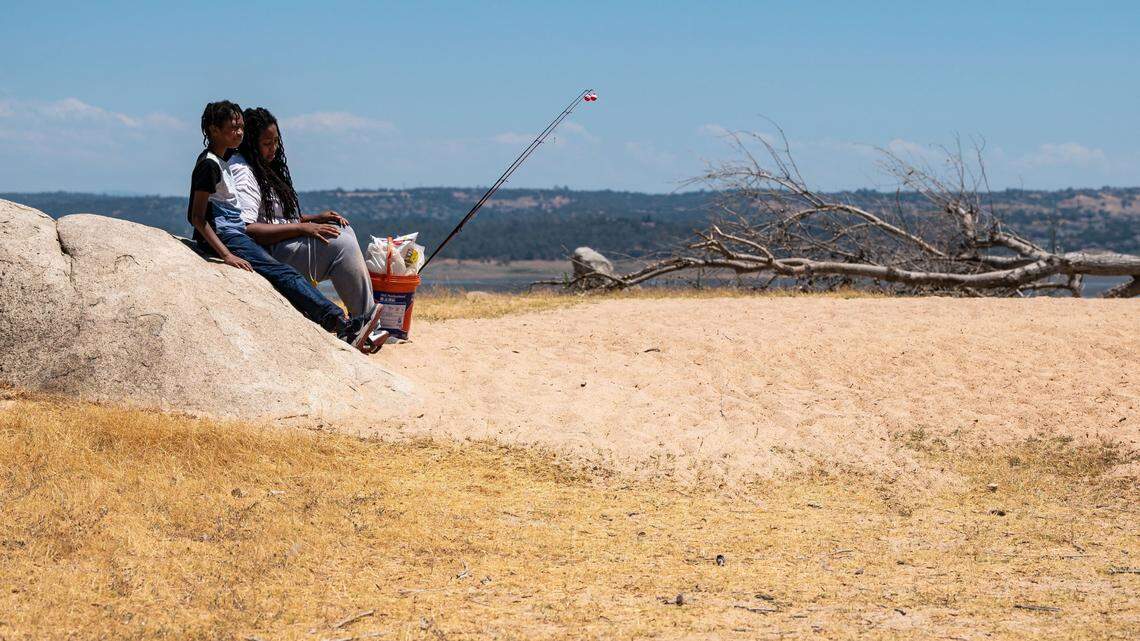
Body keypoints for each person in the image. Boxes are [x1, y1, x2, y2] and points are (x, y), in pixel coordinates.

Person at [186, 100, 385, 353]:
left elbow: (263, 217)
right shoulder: (220, 166)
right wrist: (226, 255)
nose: (238, 133)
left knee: (337, 237)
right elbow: (200, 217)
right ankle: (344, 323)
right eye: (266, 144)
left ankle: (356, 322)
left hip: (234, 235)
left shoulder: (223, 162)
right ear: (214, 130)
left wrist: (310, 219)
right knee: (295, 268)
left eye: (241, 128)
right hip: (234, 238)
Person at [229, 107, 376, 320]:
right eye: (267, 144)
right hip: (267, 252)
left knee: (343, 231)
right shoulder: (244, 172)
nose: (274, 149)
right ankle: (364, 319)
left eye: (276, 142)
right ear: (251, 143)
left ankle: (364, 315)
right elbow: (247, 229)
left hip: (280, 241)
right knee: (341, 245)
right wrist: (301, 227)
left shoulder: (262, 166)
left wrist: (312, 219)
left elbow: (273, 218)